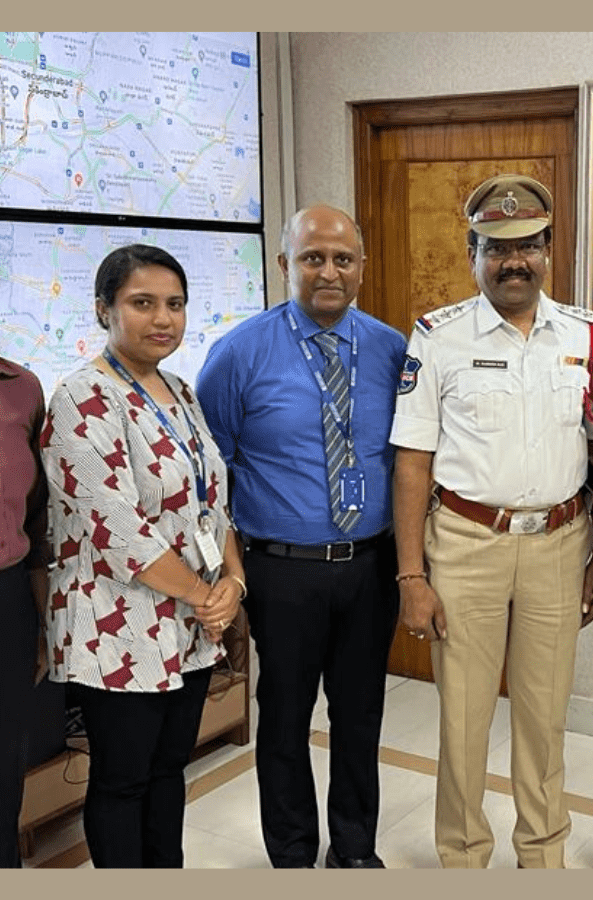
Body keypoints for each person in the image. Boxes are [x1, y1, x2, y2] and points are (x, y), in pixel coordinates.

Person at [390, 174, 593, 868]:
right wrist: (411, 576)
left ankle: (542, 854)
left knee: (545, 718)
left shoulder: (586, 335)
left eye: (528, 246)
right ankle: (463, 856)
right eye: (497, 248)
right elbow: (412, 463)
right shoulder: (438, 337)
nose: (514, 261)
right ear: (473, 254)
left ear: (548, 251)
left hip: (560, 544)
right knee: (463, 718)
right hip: (466, 546)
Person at [196, 206, 406, 869]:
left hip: (371, 565)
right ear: (286, 264)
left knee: (360, 716)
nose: (329, 272)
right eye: (313, 258)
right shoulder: (238, 355)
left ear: (362, 267)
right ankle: (291, 854)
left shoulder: (393, 350)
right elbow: (209, 475)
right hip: (281, 571)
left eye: (343, 259)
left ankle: (355, 849)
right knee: (285, 718)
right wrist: (227, 574)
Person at [40, 244, 244, 867]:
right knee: (123, 781)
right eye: (143, 303)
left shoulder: (179, 390)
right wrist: (207, 597)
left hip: (189, 621)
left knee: (167, 769)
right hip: (119, 626)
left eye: (175, 304)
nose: (163, 318)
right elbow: (118, 528)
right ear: (103, 310)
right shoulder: (82, 399)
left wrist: (233, 581)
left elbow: (211, 501)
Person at [1, 356, 51, 868]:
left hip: (8, 593)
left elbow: (37, 516)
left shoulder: (22, 388)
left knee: (5, 757)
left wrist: (40, 621)